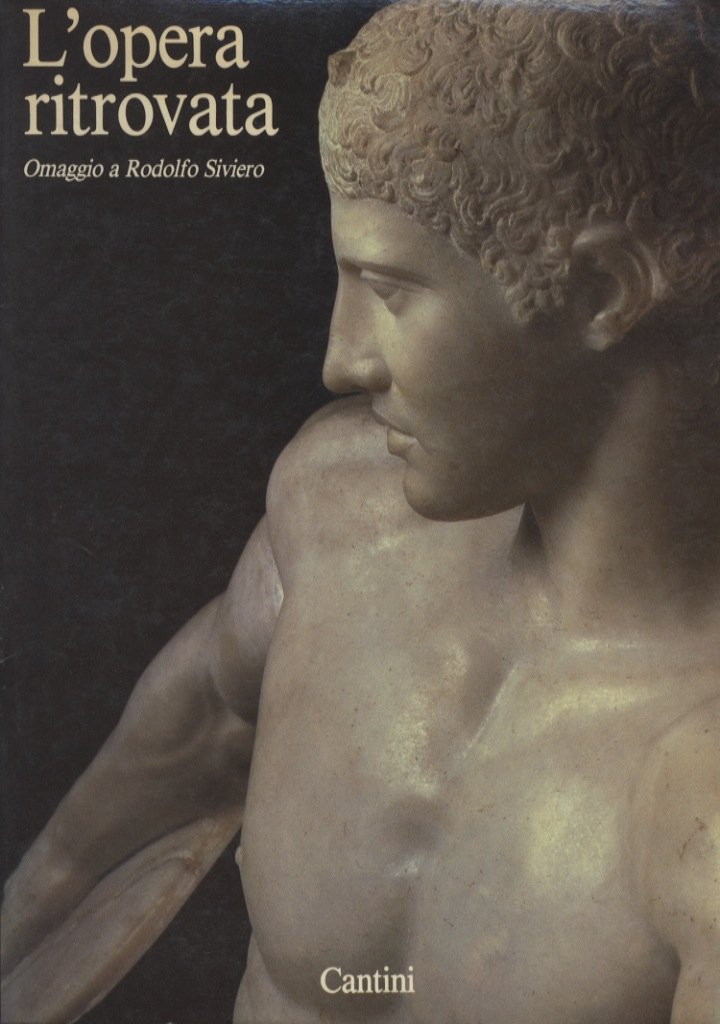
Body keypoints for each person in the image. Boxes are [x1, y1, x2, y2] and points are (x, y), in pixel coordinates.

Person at [3, 0, 719, 1021]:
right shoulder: (341, 520)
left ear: (602, 289)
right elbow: (99, 846)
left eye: (388, 287)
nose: (341, 361)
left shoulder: (698, 791)